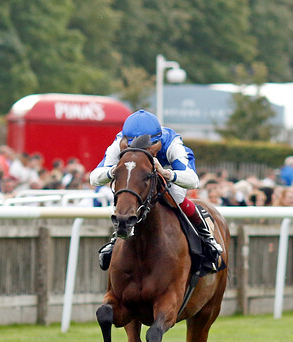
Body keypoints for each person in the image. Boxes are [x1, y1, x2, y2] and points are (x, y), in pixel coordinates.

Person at [89, 110, 222, 271]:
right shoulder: (119, 143)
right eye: (134, 147)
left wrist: (166, 173)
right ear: (125, 143)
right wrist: (114, 171)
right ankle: (117, 236)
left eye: (148, 147)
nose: (142, 152)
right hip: (140, 179)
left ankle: (206, 237)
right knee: (127, 194)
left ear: (158, 142)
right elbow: (94, 178)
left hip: (169, 175)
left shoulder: (172, 143)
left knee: (176, 196)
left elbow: (193, 181)